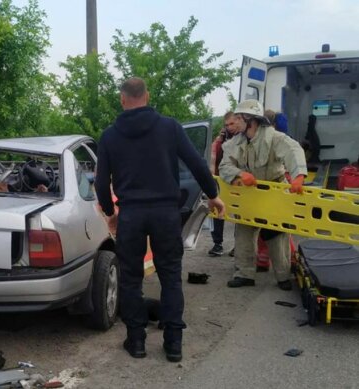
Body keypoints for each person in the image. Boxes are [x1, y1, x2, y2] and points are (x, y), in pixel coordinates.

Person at [95, 77, 225, 363]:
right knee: (170, 276)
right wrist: (213, 195)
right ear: (148, 95)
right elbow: (197, 163)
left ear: (122, 99)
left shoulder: (109, 136)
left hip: (131, 214)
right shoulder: (170, 127)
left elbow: (102, 182)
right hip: (166, 212)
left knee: (131, 278)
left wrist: (110, 213)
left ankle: (137, 341)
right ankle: (174, 344)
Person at [219, 99, 307, 291]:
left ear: (250, 119)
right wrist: (240, 174)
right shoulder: (235, 142)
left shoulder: (274, 137)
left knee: (277, 235)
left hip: (274, 191)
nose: (235, 120)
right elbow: (224, 166)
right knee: (243, 233)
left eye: (239, 117)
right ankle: (244, 274)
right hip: (249, 194)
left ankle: (283, 276)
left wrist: (298, 177)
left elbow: (294, 151)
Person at [207, 112, 239, 257]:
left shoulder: (244, 139)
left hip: (238, 183)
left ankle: (238, 245)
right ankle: (217, 244)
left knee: (240, 215)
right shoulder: (219, 142)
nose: (229, 127)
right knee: (217, 212)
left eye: (232, 124)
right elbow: (212, 162)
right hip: (221, 182)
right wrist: (211, 183)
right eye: (226, 124)